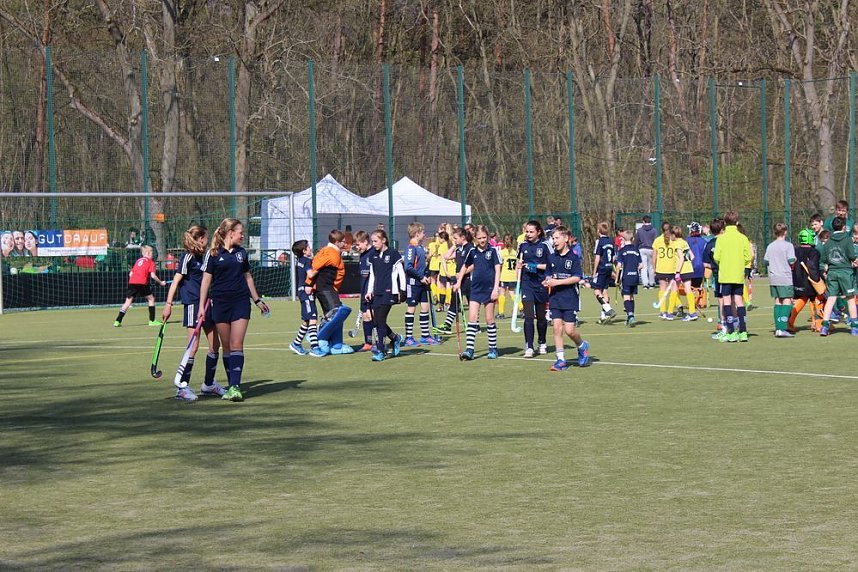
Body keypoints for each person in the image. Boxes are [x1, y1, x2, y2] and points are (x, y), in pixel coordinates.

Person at [198, 218, 270, 402]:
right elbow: (206, 281)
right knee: (227, 346)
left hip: (240, 302)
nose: (243, 235)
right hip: (220, 304)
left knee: (237, 343)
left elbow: (247, 277)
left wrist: (257, 299)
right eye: (240, 232)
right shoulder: (212, 254)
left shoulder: (242, 253)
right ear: (231, 233)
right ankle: (231, 385)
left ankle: (235, 387)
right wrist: (201, 307)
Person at [161, 225, 227, 401]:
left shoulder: (204, 256)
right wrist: (168, 304)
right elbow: (176, 282)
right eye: (205, 238)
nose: (206, 241)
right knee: (193, 346)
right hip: (192, 304)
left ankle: (209, 384)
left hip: (206, 304)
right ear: (200, 239)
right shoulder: (188, 257)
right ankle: (182, 388)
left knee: (215, 345)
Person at [543, 225, 590, 370]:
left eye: (557, 238)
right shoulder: (551, 257)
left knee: (569, 330)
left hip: (570, 298)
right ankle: (561, 360)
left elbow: (577, 278)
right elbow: (548, 274)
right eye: (553, 238)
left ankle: (582, 346)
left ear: (566, 238)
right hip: (555, 298)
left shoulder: (573, 258)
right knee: (557, 329)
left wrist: (558, 282)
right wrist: (547, 281)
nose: (554, 241)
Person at [454, 225, 501, 360]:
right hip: (476, 289)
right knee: (472, 318)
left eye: (484, 237)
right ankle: (470, 350)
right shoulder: (472, 252)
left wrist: (495, 289)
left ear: (488, 237)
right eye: (479, 238)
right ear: (475, 238)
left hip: (489, 289)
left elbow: (498, 270)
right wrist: (458, 282)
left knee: (489, 319)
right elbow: (465, 266)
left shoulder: (493, 251)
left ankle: (493, 349)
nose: (482, 240)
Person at [305, 229, 352, 355]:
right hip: (325, 287)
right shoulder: (331, 253)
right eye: (343, 241)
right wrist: (309, 283)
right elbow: (315, 266)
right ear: (337, 242)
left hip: (328, 288)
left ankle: (336, 344)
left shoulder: (329, 251)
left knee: (333, 314)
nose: (345, 243)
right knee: (338, 313)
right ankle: (318, 337)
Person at [364, 229, 405, 361]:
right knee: (376, 321)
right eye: (372, 241)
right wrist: (369, 291)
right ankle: (395, 338)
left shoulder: (393, 253)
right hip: (377, 292)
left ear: (383, 240)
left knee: (380, 320)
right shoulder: (373, 255)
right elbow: (372, 275)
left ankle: (381, 351)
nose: (374, 244)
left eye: (376, 241)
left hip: (389, 292)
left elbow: (401, 272)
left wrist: (402, 290)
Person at [713, 211, 753, 342]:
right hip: (738, 275)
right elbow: (748, 257)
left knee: (727, 301)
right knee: (739, 301)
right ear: (737, 222)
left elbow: (716, 257)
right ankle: (742, 331)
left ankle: (730, 332)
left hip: (725, 274)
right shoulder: (743, 238)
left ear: (724, 223)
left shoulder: (721, 238)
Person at [818, 216, 858, 336]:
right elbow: (851, 255)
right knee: (850, 299)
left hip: (832, 272)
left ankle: (824, 326)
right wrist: (854, 260)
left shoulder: (828, 241)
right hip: (845, 272)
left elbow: (824, 258)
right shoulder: (847, 239)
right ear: (844, 227)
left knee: (831, 299)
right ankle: (854, 327)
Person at [516, 220, 550, 357]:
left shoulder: (545, 246)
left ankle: (542, 342)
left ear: (538, 232)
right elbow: (519, 263)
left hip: (541, 284)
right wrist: (518, 269)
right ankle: (529, 346)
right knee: (528, 316)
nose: (528, 234)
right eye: (527, 232)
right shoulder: (522, 245)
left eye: (531, 232)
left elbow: (550, 266)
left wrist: (533, 266)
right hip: (527, 284)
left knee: (541, 318)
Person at [113, 244, 166, 327]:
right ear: (148, 253)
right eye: (152, 253)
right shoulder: (150, 262)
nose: (153, 255)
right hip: (141, 283)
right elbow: (153, 276)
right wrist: (160, 282)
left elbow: (131, 273)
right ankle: (152, 321)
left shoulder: (138, 261)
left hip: (132, 282)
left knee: (127, 302)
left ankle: (117, 321)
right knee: (151, 299)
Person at [403, 222, 437, 347]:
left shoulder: (421, 247)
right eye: (423, 232)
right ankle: (409, 337)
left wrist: (427, 275)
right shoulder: (411, 248)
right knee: (412, 308)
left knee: (425, 307)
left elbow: (423, 265)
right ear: (417, 234)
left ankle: (425, 335)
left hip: (423, 282)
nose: (424, 234)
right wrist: (421, 277)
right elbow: (408, 267)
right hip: (413, 283)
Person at [437, 227, 473, 335]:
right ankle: (447, 325)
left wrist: (463, 273)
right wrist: (454, 246)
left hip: (468, 280)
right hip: (458, 281)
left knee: (472, 303)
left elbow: (473, 265)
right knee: (454, 302)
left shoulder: (470, 248)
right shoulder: (459, 249)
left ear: (463, 237)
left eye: (456, 238)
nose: (455, 240)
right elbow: (446, 256)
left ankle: (474, 325)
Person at [763, 222, 797, 337]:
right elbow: (791, 260)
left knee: (778, 301)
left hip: (774, 277)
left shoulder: (770, 246)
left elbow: (766, 261)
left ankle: (778, 328)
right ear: (785, 232)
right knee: (787, 300)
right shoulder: (788, 245)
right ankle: (783, 328)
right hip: (785, 277)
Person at [288, 240, 321, 356]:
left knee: (307, 321)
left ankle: (296, 343)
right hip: (306, 293)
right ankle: (315, 347)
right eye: (308, 247)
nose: (310, 248)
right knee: (313, 319)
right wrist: (321, 266)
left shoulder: (300, 260)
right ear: (304, 250)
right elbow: (310, 274)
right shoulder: (306, 261)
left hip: (302, 292)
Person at [787, 228, 822, 333]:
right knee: (817, 297)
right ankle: (818, 323)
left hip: (796, 280)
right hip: (808, 280)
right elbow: (812, 267)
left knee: (803, 297)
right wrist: (817, 279)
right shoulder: (813, 252)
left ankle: (789, 322)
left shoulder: (795, 250)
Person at [590, 221, 617, 324]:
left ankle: (608, 309)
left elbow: (597, 257)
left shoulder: (599, 241)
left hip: (601, 269)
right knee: (604, 291)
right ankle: (603, 316)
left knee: (596, 291)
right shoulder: (611, 241)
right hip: (609, 268)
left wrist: (594, 271)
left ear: (598, 231)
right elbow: (613, 257)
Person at [615, 228, 642, 327]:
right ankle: (630, 316)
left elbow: (618, 266)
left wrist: (617, 279)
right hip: (635, 276)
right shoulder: (636, 250)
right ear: (633, 238)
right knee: (631, 296)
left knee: (626, 296)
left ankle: (630, 316)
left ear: (622, 238)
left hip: (626, 276)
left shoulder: (622, 251)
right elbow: (641, 265)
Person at [354, 230, 375, 351]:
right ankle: (368, 343)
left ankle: (392, 337)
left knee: (374, 317)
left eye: (358, 244)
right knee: (366, 316)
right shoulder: (362, 255)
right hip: (363, 291)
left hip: (372, 291)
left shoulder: (373, 253)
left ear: (365, 241)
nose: (357, 247)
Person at [496, 233, 518, 319]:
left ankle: (501, 313)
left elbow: (500, 266)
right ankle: (521, 308)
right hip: (513, 276)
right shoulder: (515, 253)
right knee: (512, 293)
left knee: (502, 293)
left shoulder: (501, 253)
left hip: (504, 276)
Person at [634, 215, 657, 288]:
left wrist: (635, 249)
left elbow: (636, 241)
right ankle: (652, 282)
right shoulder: (654, 230)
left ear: (643, 221)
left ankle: (645, 283)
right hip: (651, 249)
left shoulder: (640, 230)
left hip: (642, 249)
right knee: (651, 266)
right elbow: (655, 240)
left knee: (643, 266)